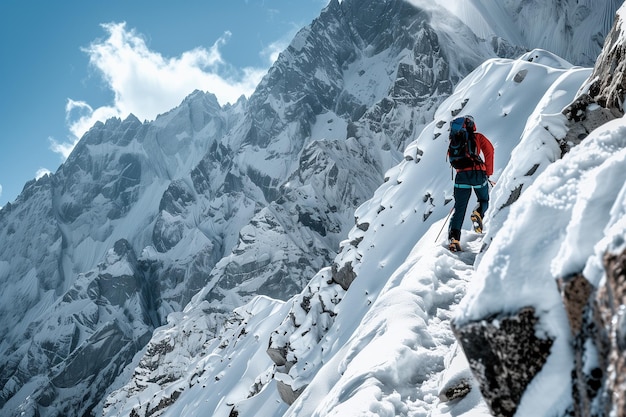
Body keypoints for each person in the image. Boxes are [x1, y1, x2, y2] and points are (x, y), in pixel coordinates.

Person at [448, 115, 494, 252]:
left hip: (461, 177)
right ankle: (478, 212)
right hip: (478, 174)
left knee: (459, 209)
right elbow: (489, 151)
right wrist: (488, 173)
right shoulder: (477, 137)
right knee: (484, 199)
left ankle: (454, 239)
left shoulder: (454, 140)